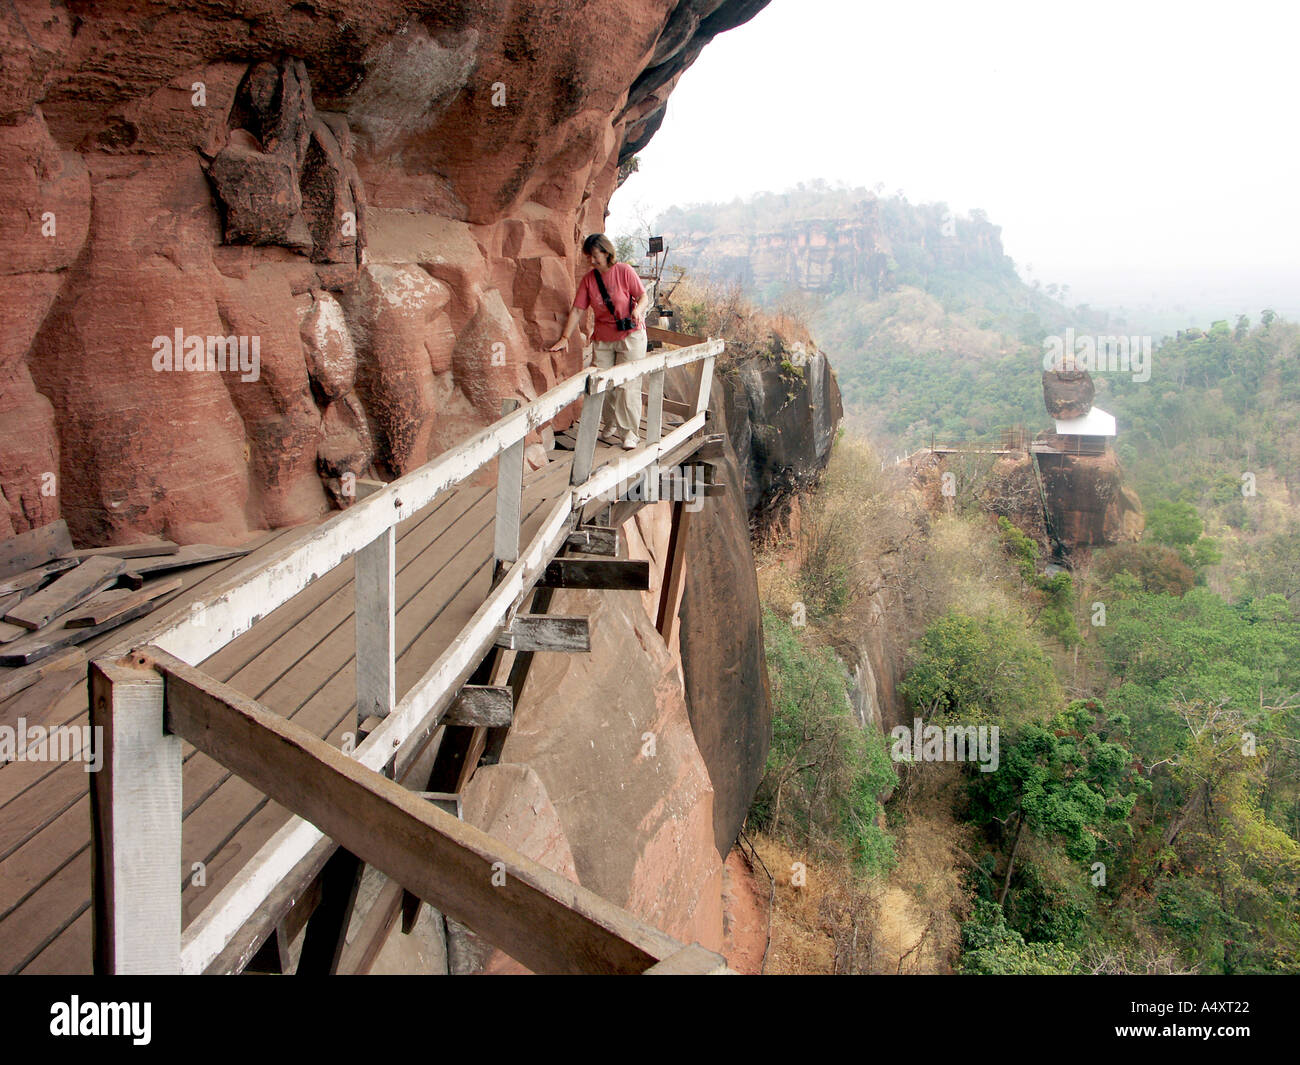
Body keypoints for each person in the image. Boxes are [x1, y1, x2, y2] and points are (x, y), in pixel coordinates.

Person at [549, 233, 649, 450]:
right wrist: (565, 337)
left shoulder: (624, 271)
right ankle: (611, 421)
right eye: (589, 257)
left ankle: (629, 432)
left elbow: (643, 297)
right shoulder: (589, 280)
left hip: (631, 334)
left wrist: (638, 311)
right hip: (604, 337)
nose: (592, 261)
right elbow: (577, 309)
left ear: (606, 252)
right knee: (601, 382)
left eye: (595, 256)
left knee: (627, 384)